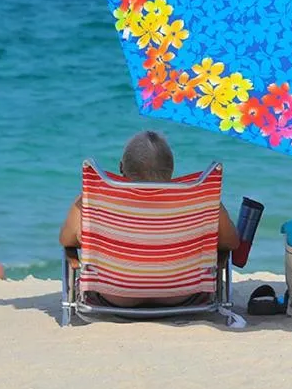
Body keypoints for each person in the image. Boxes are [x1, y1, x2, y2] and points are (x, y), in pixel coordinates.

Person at [59, 130, 240, 307]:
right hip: (183, 296)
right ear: (172, 169)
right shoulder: (200, 199)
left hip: (114, 296)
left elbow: (66, 240)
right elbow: (231, 242)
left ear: (121, 168)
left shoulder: (93, 200)